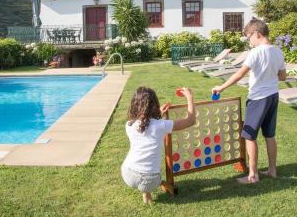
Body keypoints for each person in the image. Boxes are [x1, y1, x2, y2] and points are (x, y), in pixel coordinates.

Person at [212, 19, 286, 184]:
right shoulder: (278, 51)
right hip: (273, 96)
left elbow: (239, 74)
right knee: (270, 135)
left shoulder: (255, 53)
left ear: (257, 34)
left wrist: (221, 87)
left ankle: (253, 176)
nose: (249, 41)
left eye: (249, 37)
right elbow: (283, 76)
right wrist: (268, 73)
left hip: (258, 98)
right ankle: (272, 170)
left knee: (249, 136)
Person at [121, 86, 195, 204]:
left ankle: (146, 193)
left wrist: (160, 114)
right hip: (151, 180)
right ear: (154, 104)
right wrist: (189, 98)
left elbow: (147, 126)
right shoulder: (160, 125)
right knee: (149, 175)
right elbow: (191, 121)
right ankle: (147, 190)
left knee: (139, 164)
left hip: (128, 175)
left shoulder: (129, 125)